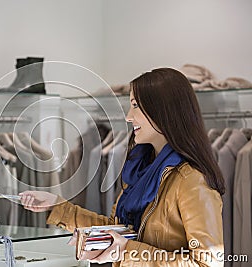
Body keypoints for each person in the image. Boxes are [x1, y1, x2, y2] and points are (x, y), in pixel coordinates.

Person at [20, 68, 225, 266]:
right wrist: (58, 207)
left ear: (162, 110)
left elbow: (207, 263)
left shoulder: (191, 179)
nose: (128, 116)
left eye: (135, 105)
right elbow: (116, 230)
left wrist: (128, 252)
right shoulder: (141, 168)